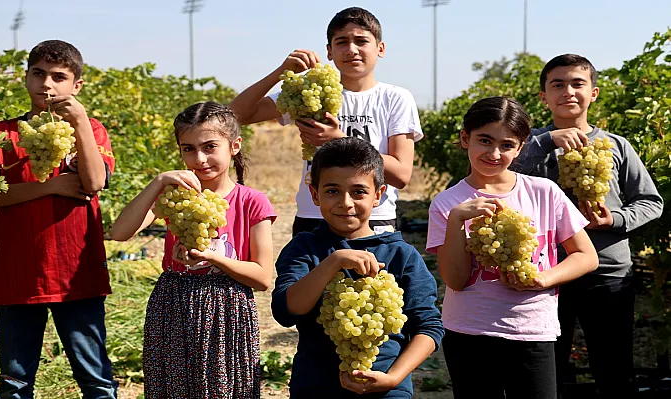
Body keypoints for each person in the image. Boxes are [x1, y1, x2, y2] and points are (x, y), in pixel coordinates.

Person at [511, 54, 664, 398]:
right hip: (547, 272)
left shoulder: (616, 147)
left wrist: (615, 219)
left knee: (614, 369)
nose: (568, 91)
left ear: (593, 93)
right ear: (543, 96)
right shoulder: (527, 146)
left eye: (578, 83)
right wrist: (549, 141)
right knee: (547, 369)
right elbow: (501, 171)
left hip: (608, 272)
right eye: (557, 85)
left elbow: (651, 202)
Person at [427, 96, 599, 399]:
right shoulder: (447, 204)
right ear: (465, 139)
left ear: (520, 148)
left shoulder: (544, 192)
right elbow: (454, 280)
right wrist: (456, 220)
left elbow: (586, 257)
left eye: (507, 145)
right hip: (469, 333)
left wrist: (542, 279)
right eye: (484, 140)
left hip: (534, 332)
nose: (494, 153)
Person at [0, 40, 117, 398]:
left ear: (76, 86)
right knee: (15, 385)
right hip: (19, 275)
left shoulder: (91, 131)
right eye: (38, 74)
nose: (47, 84)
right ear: (26, 78)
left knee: (97, 382)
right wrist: (51, 186)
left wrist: (81, 120)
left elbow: (95, 181)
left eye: (59, 77)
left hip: (77, 275)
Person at [110, 101, 275, 398]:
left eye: (210, 146)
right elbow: (120, 233)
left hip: (227, 311)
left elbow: (262, 278)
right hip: (173, 306)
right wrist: (157, 183)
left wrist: (213, 257)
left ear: (234, 145)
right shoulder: (173, 196)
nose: (199, 158)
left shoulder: (252, 201)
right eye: (188, 149)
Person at [272, 137, 443, 398]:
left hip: (388, 390)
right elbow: (287, 310)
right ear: (314, 194)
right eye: (332, 191)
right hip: (316, 387)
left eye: (358, 192)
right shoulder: (304, 248)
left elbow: (428, 327)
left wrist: (393, 378)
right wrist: (335, 261)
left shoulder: (402, 255)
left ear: (379, 195)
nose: (346, 202)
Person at [230, 6, 421, 236]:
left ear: (380, 48)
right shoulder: (310, 92)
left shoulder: (395, 98)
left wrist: (340, 140)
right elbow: (232, 117)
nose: (352, 49)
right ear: (329, 52)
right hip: (314, 218)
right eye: (342, 42)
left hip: (373, 220)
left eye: (361, 41)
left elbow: (401, 175)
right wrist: (280, 72)